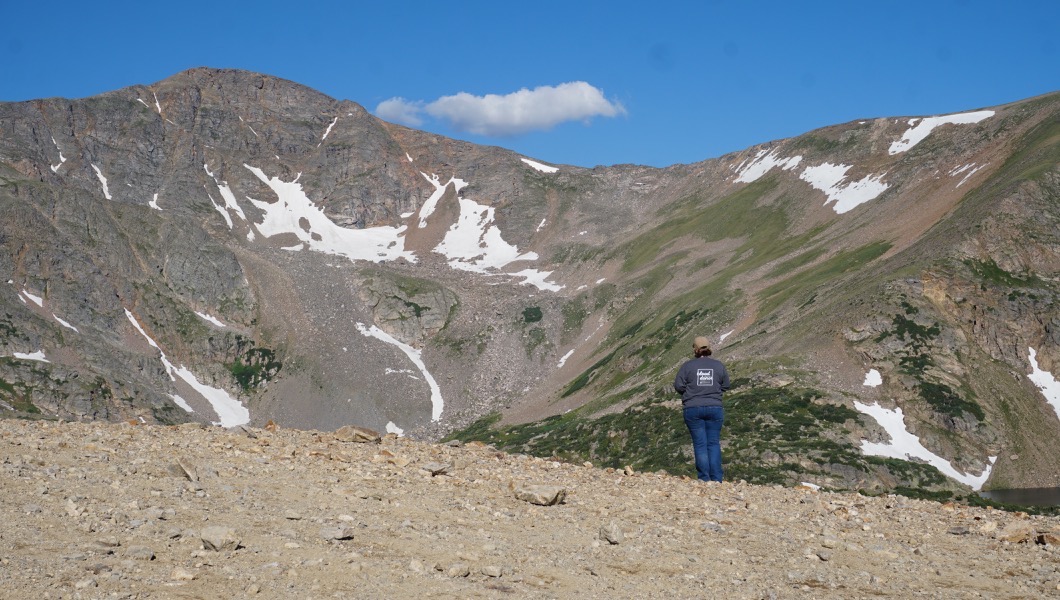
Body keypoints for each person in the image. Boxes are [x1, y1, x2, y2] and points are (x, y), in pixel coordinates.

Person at [674, 336, 730, 482]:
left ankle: (704, 479)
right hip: (714, 407)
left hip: (692, 408)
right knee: (713, 443)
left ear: (696, 349)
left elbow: (678, 386)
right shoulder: (718, 366)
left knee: (700, 444)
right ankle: (717, 479)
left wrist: (690, 392)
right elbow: (726, 385)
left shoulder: (687, 366)